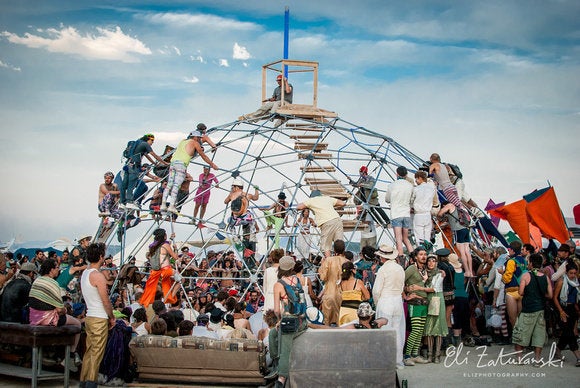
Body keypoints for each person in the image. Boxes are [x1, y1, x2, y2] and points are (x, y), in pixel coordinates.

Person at [28, 258, 82, 370]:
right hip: (47, 319)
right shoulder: (53, 283)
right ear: (51, 270)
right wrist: (66, 310)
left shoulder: (37, 281)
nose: (59, 270)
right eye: (57, 268)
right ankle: (71, 355)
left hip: (34, 318)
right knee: (77, 324)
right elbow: (59, 309)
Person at [79, 243, 116, 388]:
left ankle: (83, 381)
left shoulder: (86, 273)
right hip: (99, 316)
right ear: (101, 257)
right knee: (97, 352)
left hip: (90, 316)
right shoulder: (98, 276)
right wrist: (112, 317)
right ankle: (91, 382)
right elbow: (105, 300)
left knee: (89, 351)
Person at [268, 256, 307, 387]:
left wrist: (279, 320)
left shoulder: (278, 285)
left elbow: (277, 310)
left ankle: (281, 378)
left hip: (289, 323)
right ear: (291, 268)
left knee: (285, 349)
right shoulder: (298, 279)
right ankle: (276, 364)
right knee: (273, 334)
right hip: (301, 321)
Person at [161, 130, 218, 215]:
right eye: (198, 138)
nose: (199, 139)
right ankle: (171, 205)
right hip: (181, 165)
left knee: (169, 184)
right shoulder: (195, 143)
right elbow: (203, 155)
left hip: (173, 164)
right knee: (176, 185)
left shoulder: (183, 141)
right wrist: (212, 164)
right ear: (195, 137)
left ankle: (163, 205)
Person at [512, 253, 552, 365]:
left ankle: (519, 358)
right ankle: (537, 359)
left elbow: (520, 292)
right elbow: (550, 295)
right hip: (541, 310)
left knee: (520, 333)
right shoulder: (545, 277)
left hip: (528, 309)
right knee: (539, 335)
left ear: (530, 263)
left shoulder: (526, 276)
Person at [372, 245, 405, 369]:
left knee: (384, 332)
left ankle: (386, 361)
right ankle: (398, 361)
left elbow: (376, 290)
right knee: (398, 332)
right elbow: (402, 286)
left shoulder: (383, 270)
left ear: (382, 257)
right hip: (397, 300)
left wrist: (377, 303)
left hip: (385, 300)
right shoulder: (399, 268)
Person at [121, 133, 168, 210]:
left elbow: (147, 156)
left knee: (124, 184)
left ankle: (122, 203)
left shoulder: (138, 143)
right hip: (134, 166)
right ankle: (129, 202)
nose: (152, 143)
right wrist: (165, 163)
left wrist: (154, 163)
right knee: (131, 185)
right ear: (149, 139)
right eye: (152, 141)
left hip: (128, 165)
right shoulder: (145, 144)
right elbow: (153, 155)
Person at [296, 190, 346, 257]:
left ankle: (329, 263)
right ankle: (341, 262)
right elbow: (342, 203)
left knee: (326, 246)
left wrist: (309, 206)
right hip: (337, 220)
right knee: (339, 244)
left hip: (327, 222)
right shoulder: (327, 198)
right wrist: (329, 206)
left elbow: (299, 207)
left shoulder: (312, 200)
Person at [403, 247, 431, 365]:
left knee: (420, 331)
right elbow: (401, 281)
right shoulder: (411, 268)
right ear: (415, 257)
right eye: (420, 254)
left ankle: (415, 355)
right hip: (414, 303)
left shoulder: (424, 269)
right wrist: (405, 295)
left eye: (425, 254)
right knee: (415, 330)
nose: (423, 256)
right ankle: (407, 356)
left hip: (424, 302)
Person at [140, 228, 180, 307]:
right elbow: (175, 257)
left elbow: (164, 249)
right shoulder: (166, 245)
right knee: (181, 279)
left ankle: (167, 297)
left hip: (156, 272)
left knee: (167, 283)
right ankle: (170, 298)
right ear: (164, 236)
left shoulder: (153, 246)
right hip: (167, 270)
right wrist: (175, 249)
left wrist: (171, 239)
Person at [552, 261, 580, 365]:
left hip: (572, 309)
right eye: (571, 273)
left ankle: (558, 351)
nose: (573, 275)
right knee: (569, 333)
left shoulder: (576, 282)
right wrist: (561, 311)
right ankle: (578, 356)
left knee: (566, 333)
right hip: (563, 308)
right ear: (566, 272)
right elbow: (555, 298)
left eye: (574, 273)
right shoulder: (561, 281)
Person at [385, 166, 414, 259]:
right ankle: (414, 258)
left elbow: (387, 199)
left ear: (397, 173)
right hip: (406, 214)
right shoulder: (410, 186)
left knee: (398, 238)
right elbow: (412, 199)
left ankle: (401, 259)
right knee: (406, 238)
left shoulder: (392, 185)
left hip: (396, 214)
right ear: (406, 174)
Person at [438, 202, 474, 277]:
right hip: (466, 229)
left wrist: (441, 217)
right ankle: (470, 271)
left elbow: (439, 214)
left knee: (462, 252)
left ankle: (467, 271)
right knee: (467, 251)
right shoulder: (459, 207)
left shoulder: (449, 206)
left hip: (458, 230)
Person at [423, 254, 447, 363]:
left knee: (438, 326)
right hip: (427, 299)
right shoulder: (424, 273)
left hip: (437, 299)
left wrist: (422, 285)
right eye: (429, 261)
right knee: (429, 327)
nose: (431, 263)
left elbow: (435, 288)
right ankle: (429, 354)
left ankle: (437, 355)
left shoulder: (440, 273)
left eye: (433, 261)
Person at [318, 239, 348, 325]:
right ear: (344, 249)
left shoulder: (328, 260)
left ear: (334, 249)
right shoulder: (347, 262)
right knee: (342, 322)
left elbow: (323, 277)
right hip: (343, 295)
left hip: (329, 293)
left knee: (326, 321)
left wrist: (321, 265)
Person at [499, 240, 527, 327]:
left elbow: (507, 279)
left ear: (512, 250)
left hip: (511, 292)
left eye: (509, 249)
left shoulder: (511, 261)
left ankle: (516, 337)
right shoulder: (525, 261)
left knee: (513, 318)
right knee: (521, 317)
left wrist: (502, 273)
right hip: (522, 291)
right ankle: (522, 337)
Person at [338, 261, 370, 325]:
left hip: (343, 311)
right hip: (354, 311)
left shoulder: (340, 283)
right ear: (353, 270)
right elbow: (367, 297)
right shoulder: (358, 282)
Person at [411, 170, 436, 248]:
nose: (416, 181)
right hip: (428, 214)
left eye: (416, 179)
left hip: (419, 214)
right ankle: (428, 252)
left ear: (420, 178)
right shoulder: (432, 188)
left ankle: (421, 252)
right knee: (427, 236)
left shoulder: (416, 189)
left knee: (419, 237)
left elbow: (411, 200)